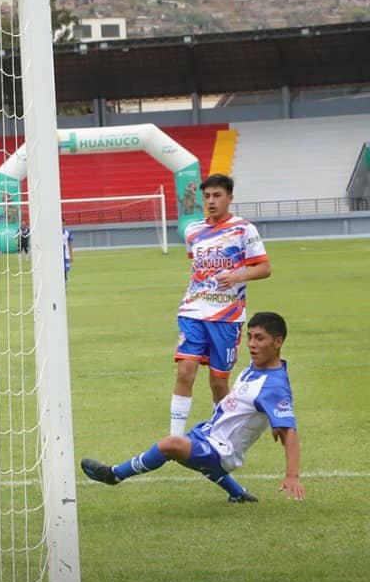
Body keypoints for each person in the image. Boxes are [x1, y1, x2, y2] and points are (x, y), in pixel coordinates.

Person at [82, 311, 301, 504]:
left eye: (260, 338)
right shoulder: (256, 367)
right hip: (209, 434)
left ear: (278, 342)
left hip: (222, 452)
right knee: (190, 452)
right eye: (250, 337)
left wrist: (292, 475)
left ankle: (114, 475)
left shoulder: (274, 385)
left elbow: (290, 430)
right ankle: (237, 493)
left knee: (171, 445)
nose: (252, 344)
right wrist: (273, 422)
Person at [168, 174, 270, 436]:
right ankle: (176, 438)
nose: (211, 201)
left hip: (226, 316)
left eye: (217, 196)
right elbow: (198, 266)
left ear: (229, 198)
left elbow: (264, 268)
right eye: (207, 197)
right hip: (193, 311)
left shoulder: (243, 229)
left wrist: (237, 276)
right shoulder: (193, 231)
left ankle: (219, 436)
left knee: (218, 382)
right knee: (185, 372)